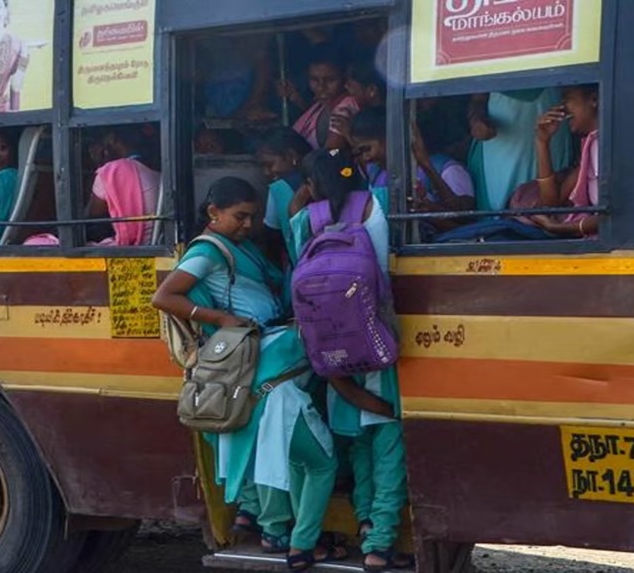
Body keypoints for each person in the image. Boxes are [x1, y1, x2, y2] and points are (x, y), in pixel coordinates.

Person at [152, 177, 346, 570]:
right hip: (260, 359)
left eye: (254, 217)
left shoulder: (241, 248)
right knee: (309, 458)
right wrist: (221, 318)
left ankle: (275, 530)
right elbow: (165, 296)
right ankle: (299, 542)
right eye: (240, 216)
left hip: (261, 362)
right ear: (213, 213)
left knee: (273, 451)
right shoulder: (208, 252)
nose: (248, 224)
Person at [287, 150, 411, 573]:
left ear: (313, 183)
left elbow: (294, 263)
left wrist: (301, 201)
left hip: (329, 345)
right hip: (379, 339)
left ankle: (363, 522)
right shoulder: (383, 201)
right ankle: (380, 543)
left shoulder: (306, 218)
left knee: (357, 441)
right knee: (389, 439)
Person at [349, 107, 475, 238]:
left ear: (392, 138)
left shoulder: (447, 169)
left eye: (367, 149)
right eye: (360, 152)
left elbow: (467, 222)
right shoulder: (376, 174)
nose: (365, 158)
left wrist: (426, 166)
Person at [466, 89, 573, 212]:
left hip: (551, 125)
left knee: (550, 192)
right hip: (503, 139)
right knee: (500, 202)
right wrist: (476, 120)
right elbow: (478, 96)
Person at [531, 84, 601, 238]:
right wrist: (542, 142)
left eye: (567, 98)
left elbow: (622, 215)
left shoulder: (613, 144)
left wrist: (559, 228)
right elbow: (552, 204)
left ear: (594, 99)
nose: (563, 108)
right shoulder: (591, 145)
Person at [86, 125, 161, 246]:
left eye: (99, 142)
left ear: (112, 139)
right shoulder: (153, 168)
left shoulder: (111, 171)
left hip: (132, 248)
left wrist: (100, 166)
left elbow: (91, 218)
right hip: (155, 244)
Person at [255, 128, 314, 271]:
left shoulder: (279, 189)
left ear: (291, 155)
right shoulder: (329, 175)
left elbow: (272, 238)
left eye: (269, 164)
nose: (266, 172)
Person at [282, 46, 360, 151]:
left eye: (330, 80)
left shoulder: (345, 108)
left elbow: (333, 152)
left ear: (345, 77)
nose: (321, 87)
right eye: (314, 80)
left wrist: (313, 159)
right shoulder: (320, 105)